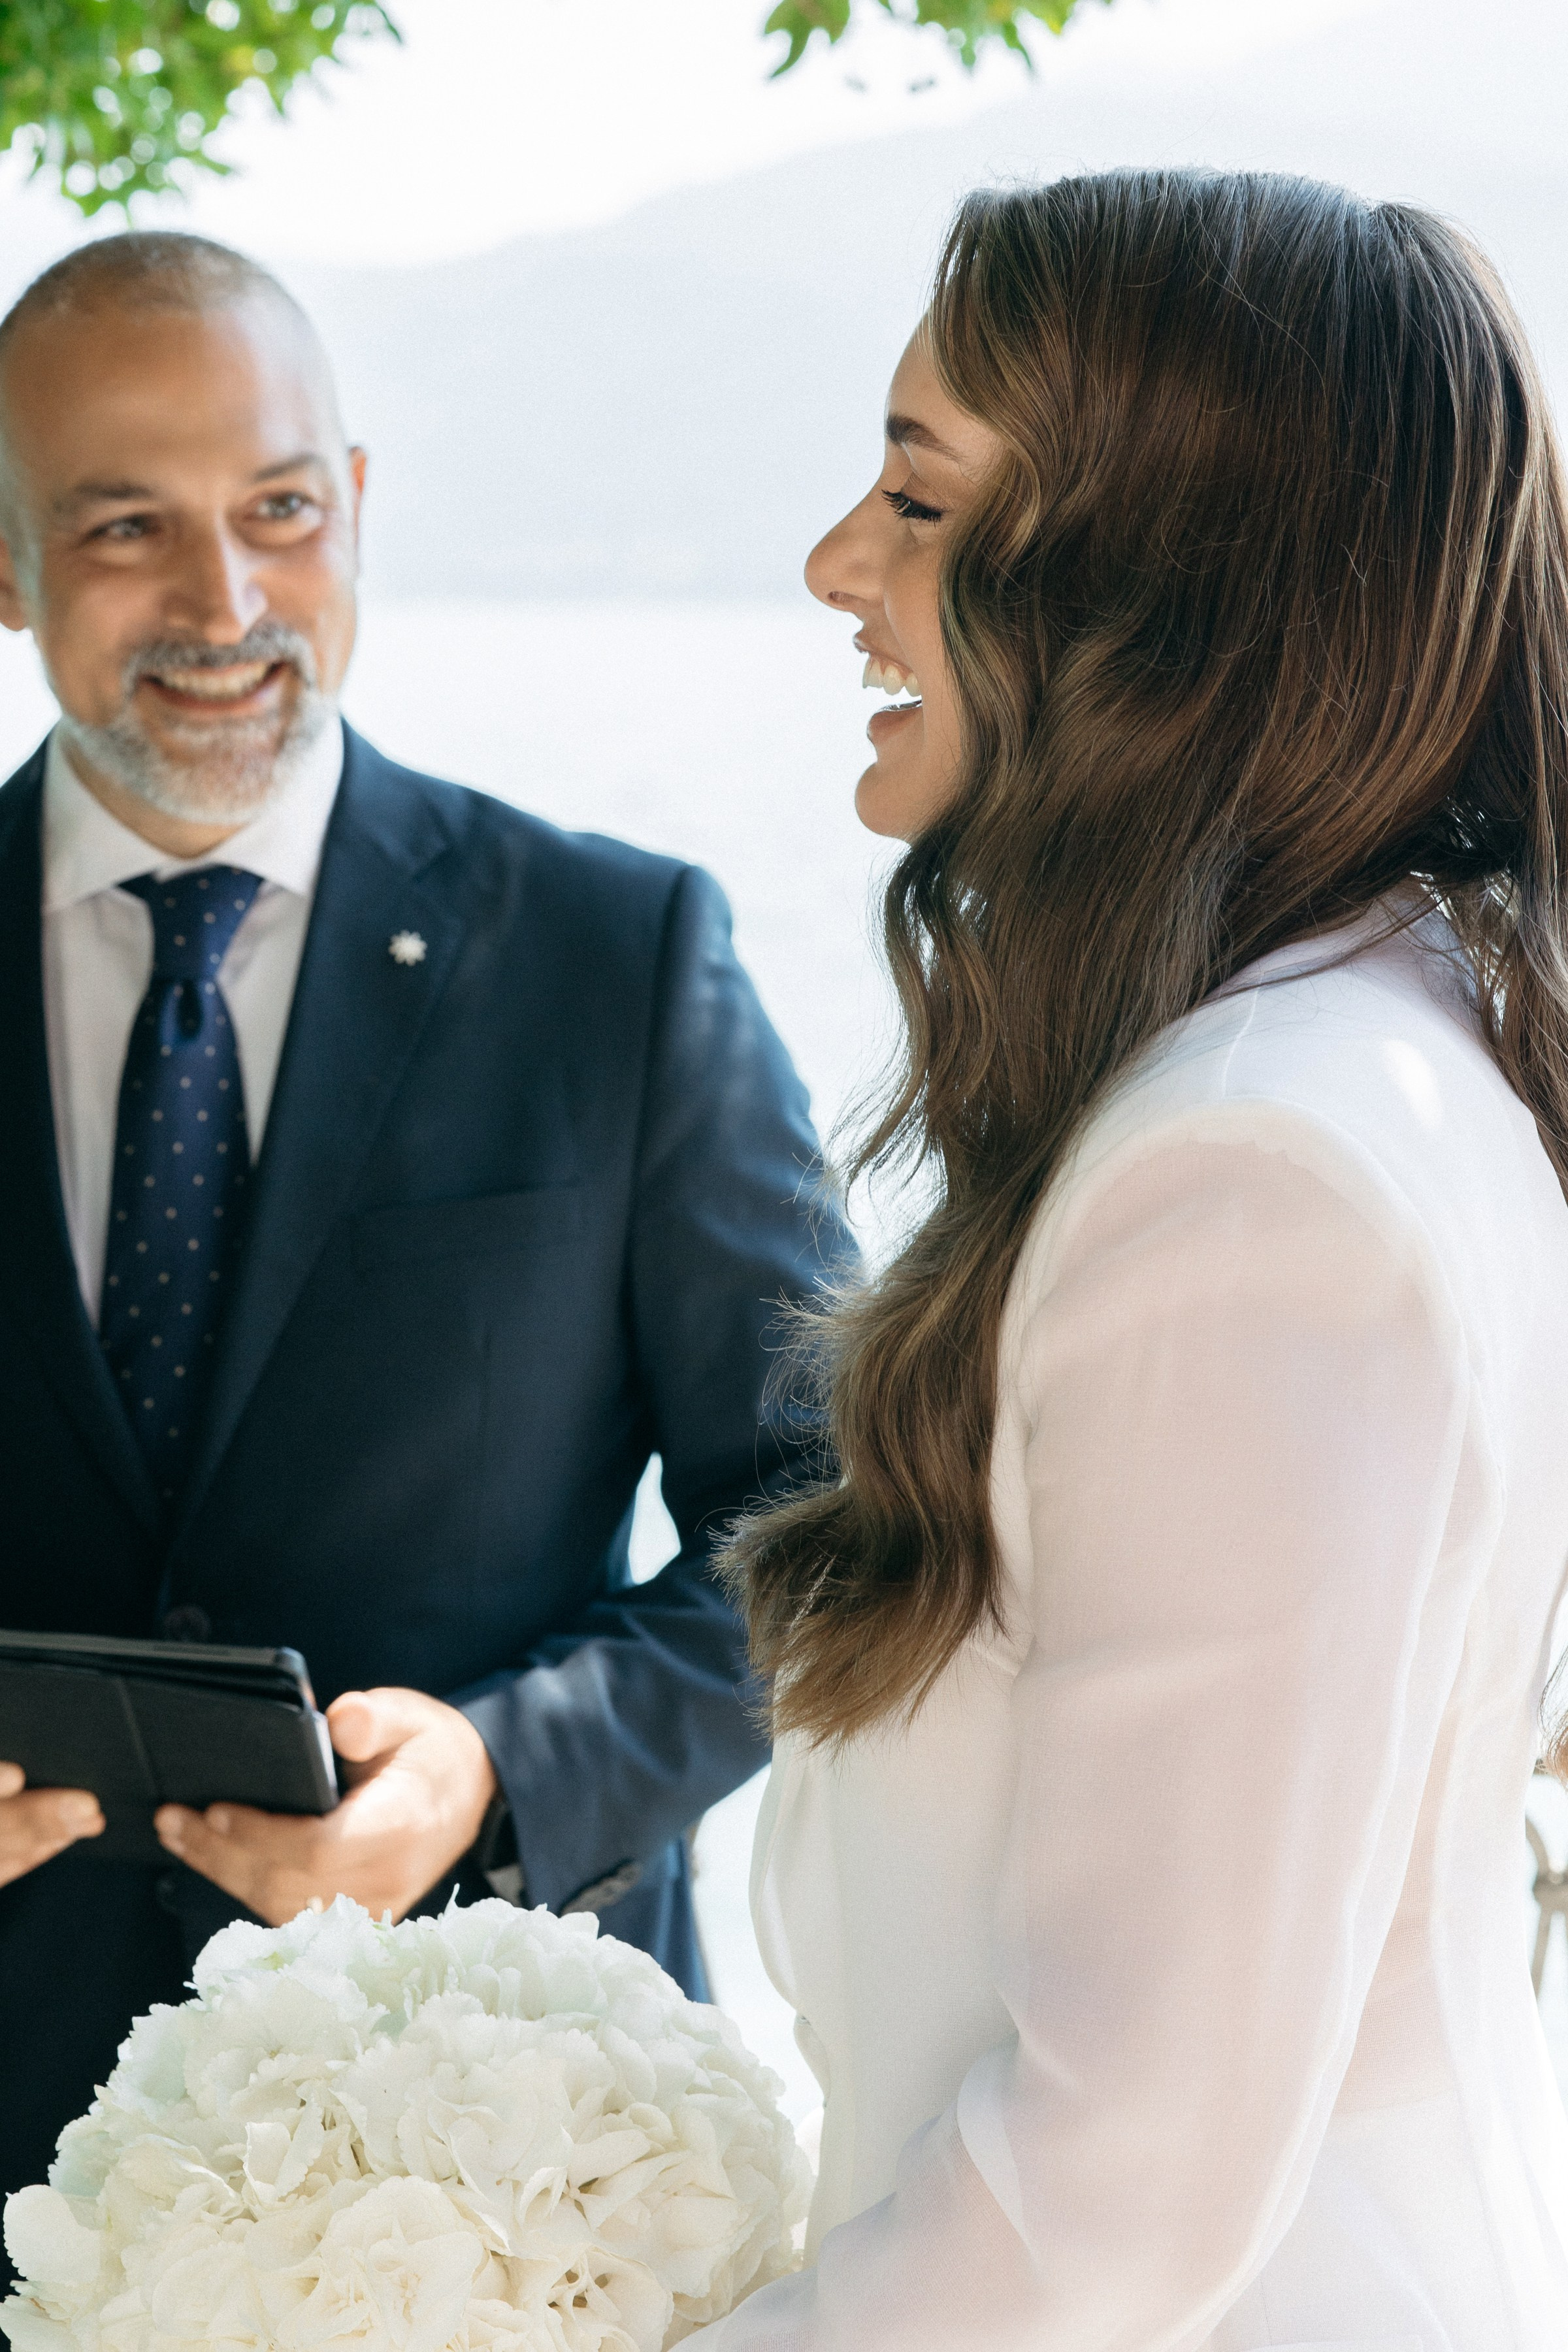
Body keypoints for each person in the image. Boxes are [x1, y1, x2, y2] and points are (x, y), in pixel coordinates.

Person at [691, 172, 1568, 2346]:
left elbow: (1124, 2183)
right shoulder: (1387, 1052)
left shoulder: (1255, 1171)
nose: (836, 565)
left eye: (920, 497)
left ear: (1166, 585)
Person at [0, 231, 847, 2247]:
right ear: (8, 562)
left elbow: (833, 1516)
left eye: (281, 511)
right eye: (125, 527)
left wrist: (499, 1768)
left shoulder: (619, 957)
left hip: (496, 2173)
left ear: (359, 505)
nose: (226, 603)